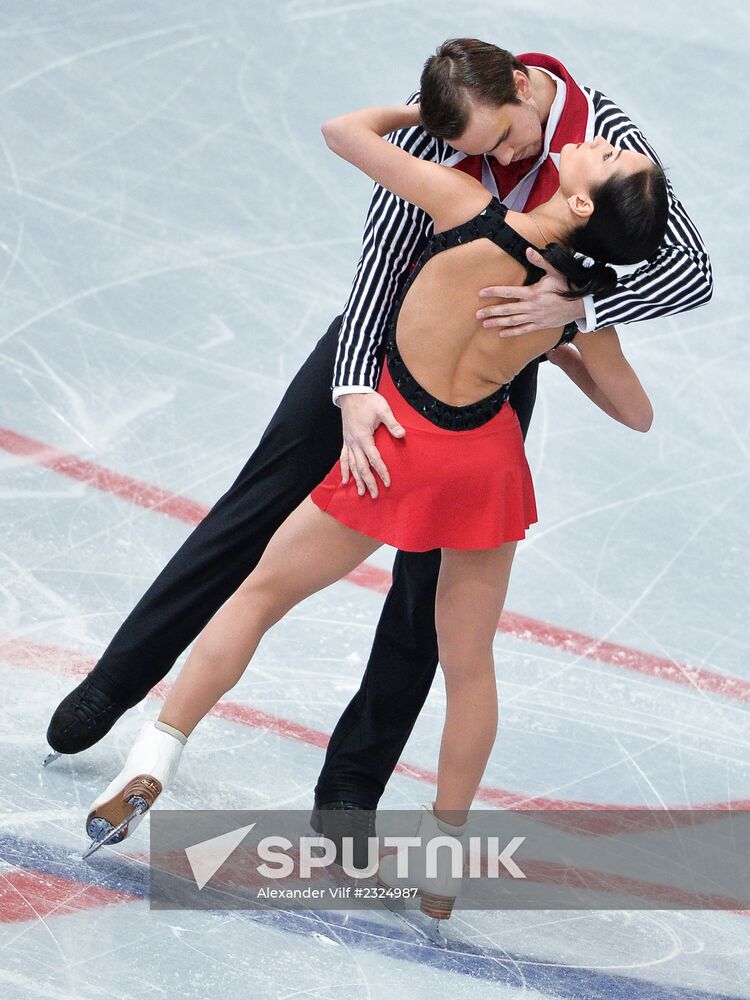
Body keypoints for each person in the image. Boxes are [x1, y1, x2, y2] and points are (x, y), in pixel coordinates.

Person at [46, 40, 712, 838]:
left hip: (490, 373)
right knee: (254, 513)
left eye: (501, 140)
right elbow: (381, 265)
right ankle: (118, 682)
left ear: (530, 94)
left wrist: (574, 310)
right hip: (382, 352)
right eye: (474, 147)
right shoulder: (449, 132)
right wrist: (356, 385)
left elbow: (690, 269)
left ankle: (351, 783)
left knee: (418, 598)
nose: (494, 157)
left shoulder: (604, 138)